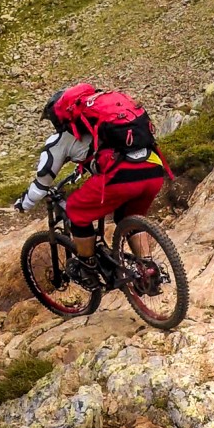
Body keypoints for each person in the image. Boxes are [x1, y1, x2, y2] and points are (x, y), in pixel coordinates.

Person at [13, 83, 168, 285]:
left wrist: (23, 204)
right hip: (154, 169)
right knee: (127, 217)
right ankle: (148, 270)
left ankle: (88, 268)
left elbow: (42, 182)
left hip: (122, 177)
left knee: (76, 210)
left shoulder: (61, 140)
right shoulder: (104, 124)